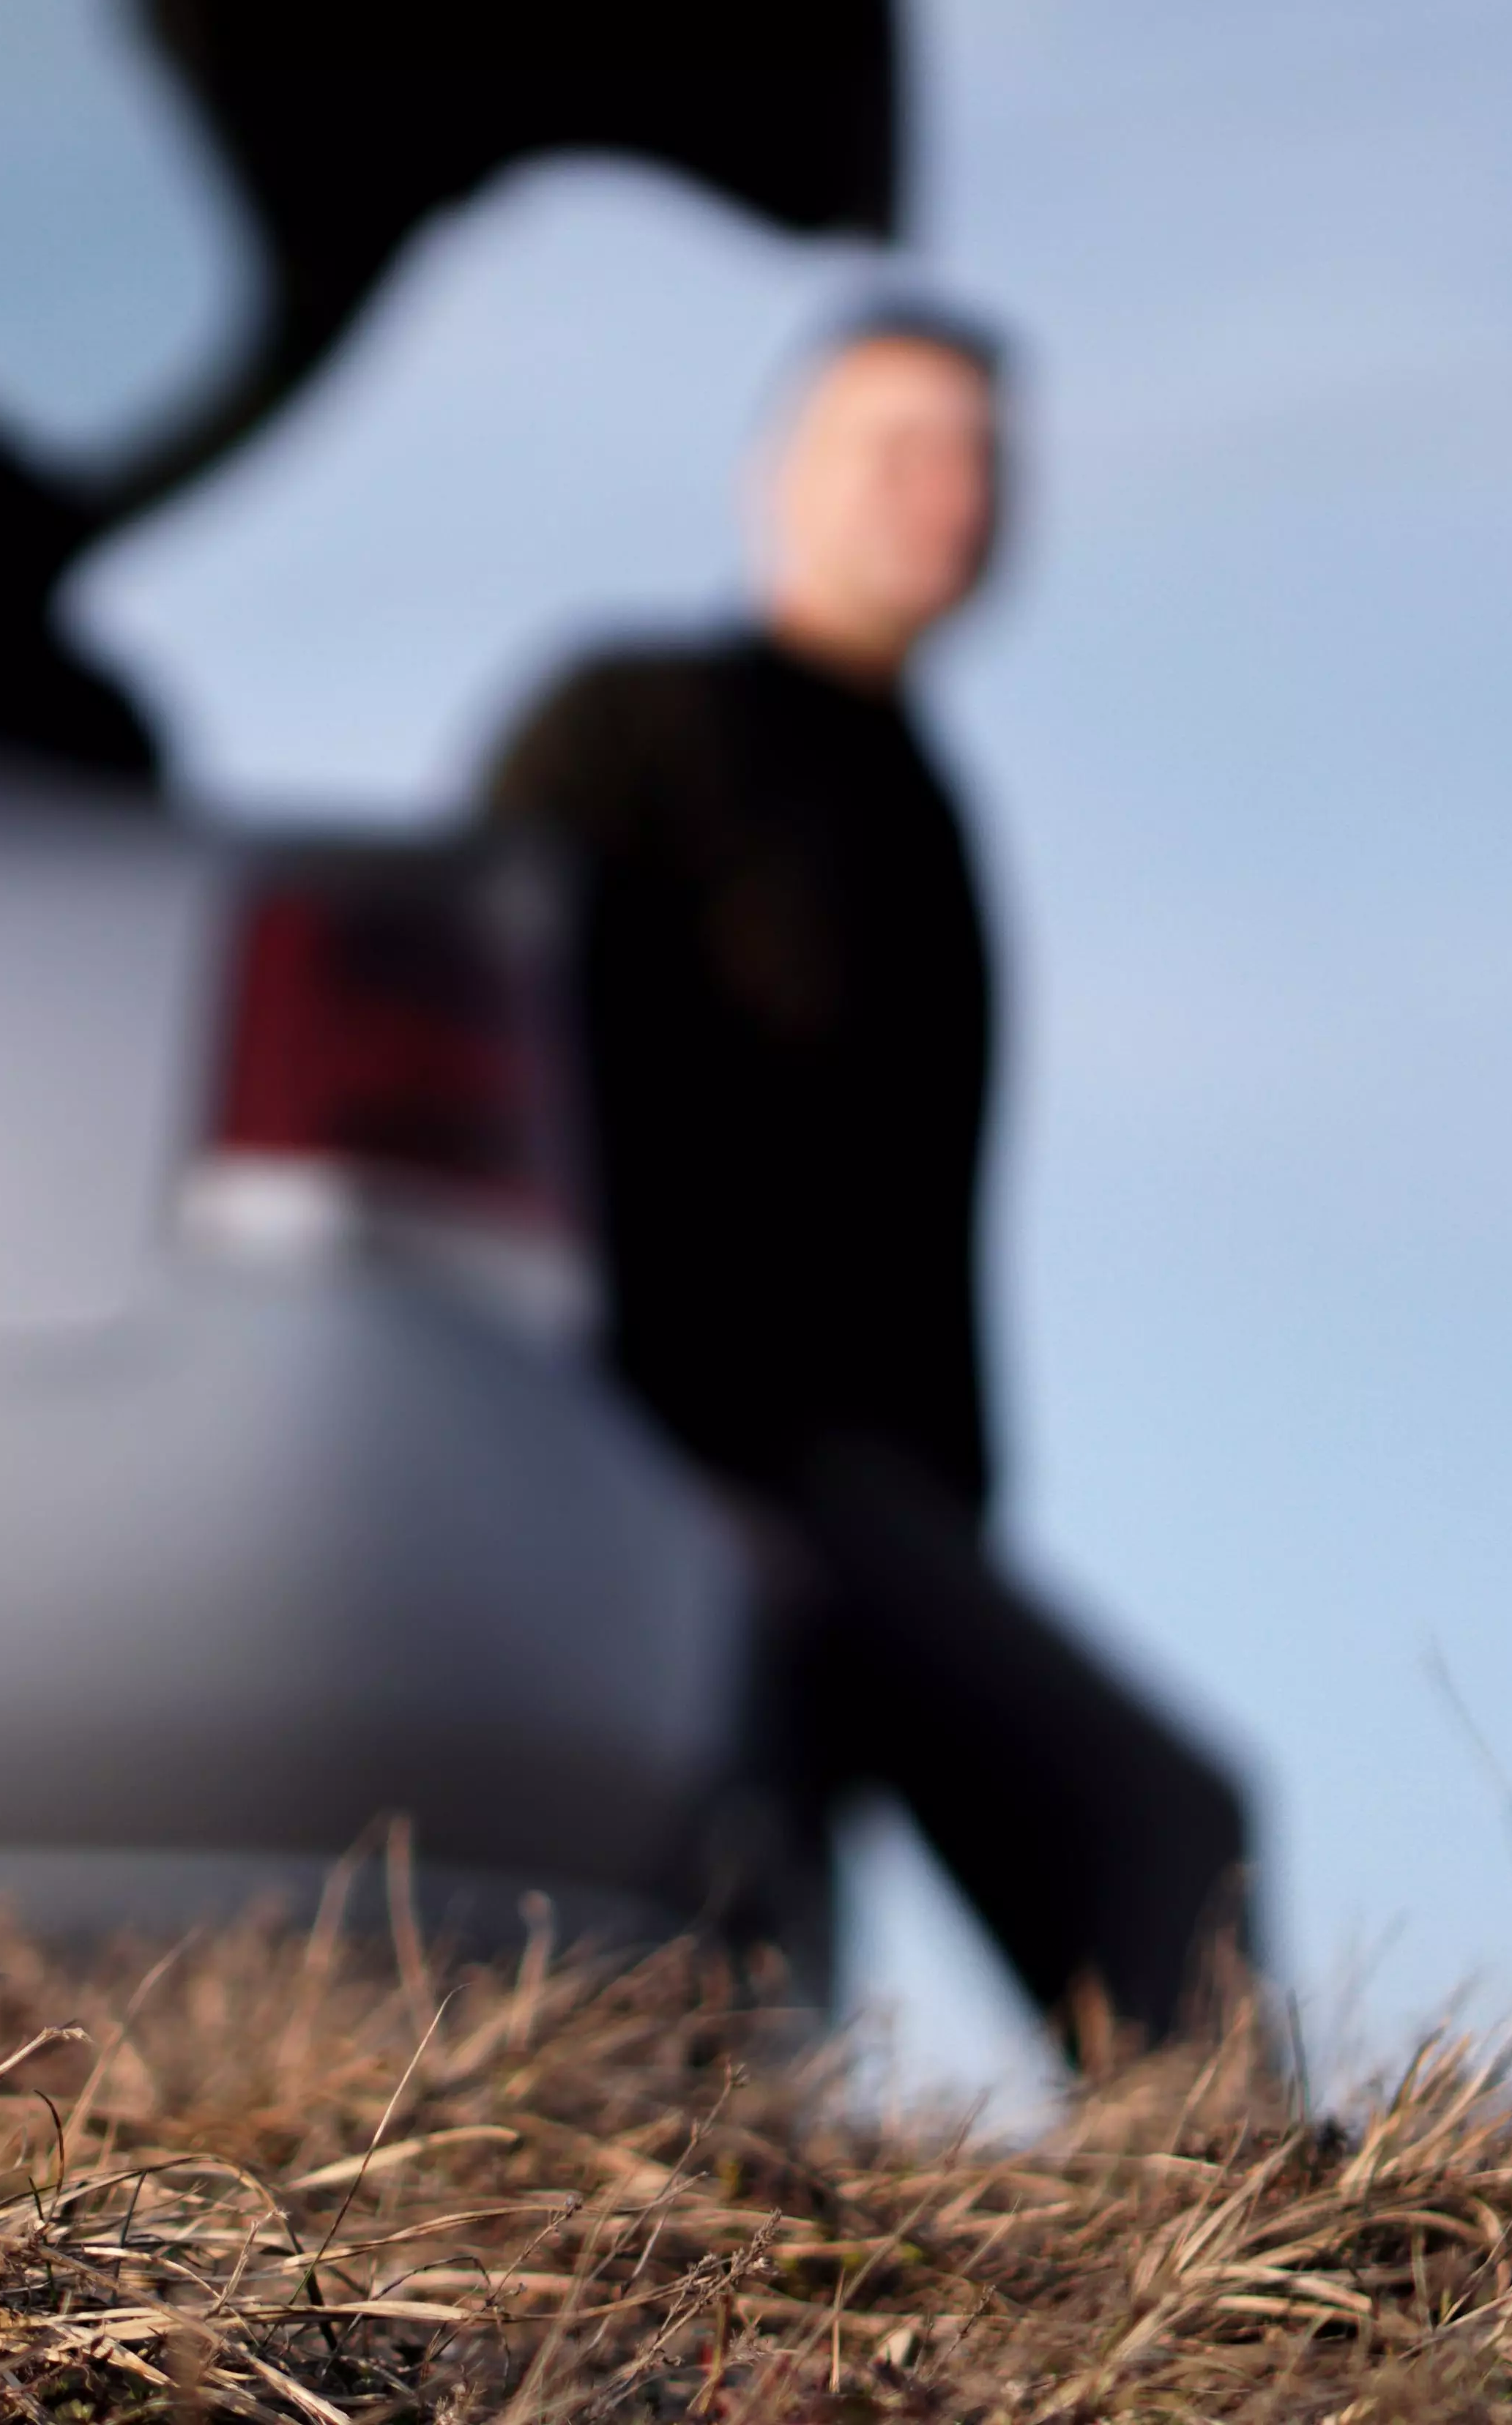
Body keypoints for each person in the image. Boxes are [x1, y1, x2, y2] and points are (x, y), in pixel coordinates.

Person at [480, 300, 1251, 2051]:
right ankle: (1269, 2276)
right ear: (779, 480)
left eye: (983, 456)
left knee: (768, 1958)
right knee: (1164, 1828)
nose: (952, 491)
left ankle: (1175, 2272)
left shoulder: (924, 798)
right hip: (715, 1452)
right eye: (900, 446)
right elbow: (500, 1059)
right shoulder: (635, 722)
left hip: (889, 1496)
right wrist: (636, 1446)